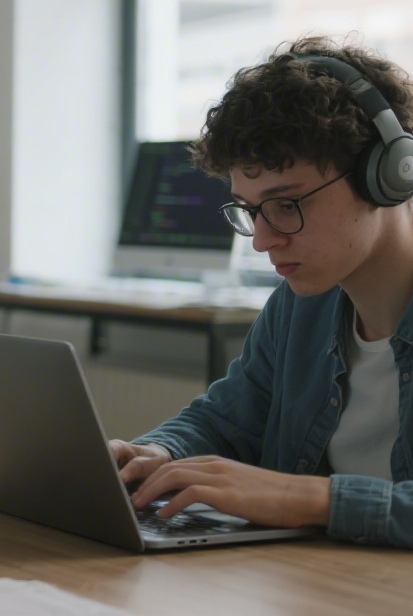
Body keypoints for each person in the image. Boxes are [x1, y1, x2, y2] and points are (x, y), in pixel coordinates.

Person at [113, 35, 413, 549]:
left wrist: (310, 498)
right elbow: (227, 420)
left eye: (287, 205)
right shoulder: (299, 305)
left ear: (388, 176)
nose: (263, 240)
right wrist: (158, 454)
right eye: (251, 210)